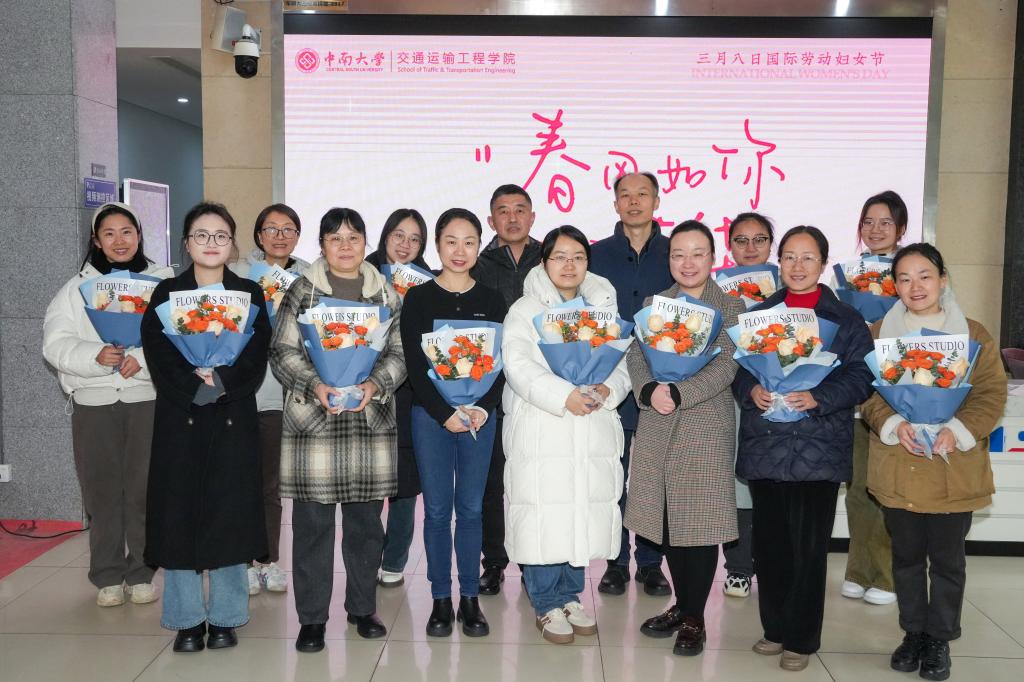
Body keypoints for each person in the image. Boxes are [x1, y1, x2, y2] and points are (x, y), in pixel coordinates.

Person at [733, 225, 875, 671]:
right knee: (770, 546)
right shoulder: (760, 314)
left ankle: (801, 638)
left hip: (819, 448)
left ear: (823, 263)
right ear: (779, 263)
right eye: (789, 257)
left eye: (808, 257)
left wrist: (819, 396)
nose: (797, 266)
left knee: (808, 549)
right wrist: (751, 390)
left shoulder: (846, 319)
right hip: (767, 446)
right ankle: (774, 628)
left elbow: (862, 376)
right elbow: (739, 370)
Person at [862, 243, 1007, 682]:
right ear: (895, 286)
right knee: (905, 557)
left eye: (924, 276)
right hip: (899, 461)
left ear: (943, 280)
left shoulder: (974, 335)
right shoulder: (879, 335)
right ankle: (913, 633)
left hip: (952, 465)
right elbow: (867, 393)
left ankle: (939, 638)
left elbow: (990, 395)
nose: (915, 286)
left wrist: (957, 429)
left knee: (947, 561)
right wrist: (893, 423)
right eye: (904, 279)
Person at [269, 207, 406, 651]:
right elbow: (282, 351)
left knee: (366, 526)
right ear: (322, 245)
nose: (345, 246)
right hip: (315, 422)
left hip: (369, 420)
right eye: (335, 238)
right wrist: (315, 384)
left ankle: (362, 608)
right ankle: (312, 618)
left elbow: (400, 354)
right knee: (312, 526)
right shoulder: (302, 291)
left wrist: (375, 384)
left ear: (366, 243)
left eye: (353, 237)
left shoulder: (387, 294)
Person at [141, 202, 272, 652]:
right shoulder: (166, 294)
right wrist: (193, 386)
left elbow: (256, 353)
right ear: (186, 242)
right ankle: (185, 619)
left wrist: (221, 382)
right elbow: (158, 351)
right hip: (182, 417)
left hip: (232, 416)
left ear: (232, 244)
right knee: (179, 515)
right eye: (201, 234)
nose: (211, 243)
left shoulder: (249, 294)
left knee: (229, 515)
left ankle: (226, 617)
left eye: (220, 235)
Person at [501, 226, 630, 644]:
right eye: (559, 256)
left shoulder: (603, 308)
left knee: (579, 509)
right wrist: (563, 396)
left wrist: (609, 389)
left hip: (592, 422)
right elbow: (518, 365)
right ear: (544, 262)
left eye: (578, 256)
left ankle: (571, 595)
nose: (569, 265)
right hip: (544, 423)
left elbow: (624, 362)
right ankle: (545, 601)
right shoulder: (525, 310)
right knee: (543, 510)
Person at [42, 202, 173, 608]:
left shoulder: (161, 282)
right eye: (109, 233)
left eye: (127, 231)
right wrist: (95, 357)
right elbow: (55, 344)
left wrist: (144, 360)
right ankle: (108, 574)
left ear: (139, 236)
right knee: (101, 491)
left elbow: (178, 335)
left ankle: (142, 572)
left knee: (144, 491)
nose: (119, 241)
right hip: (94, 404)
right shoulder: (74, 289)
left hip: (146, 400)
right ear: (96, 240)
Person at [627, 221, 745, 656]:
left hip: (704, 424)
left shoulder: (731, 305)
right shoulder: (655, 304)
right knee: (667, 523)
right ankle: (683, 604)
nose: (688, 262)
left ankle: (695, 617)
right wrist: (648, 390)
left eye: (698, 253)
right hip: (658, 420)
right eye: (678, 254)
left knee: (699, 524)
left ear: (713, 258)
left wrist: (681, 392)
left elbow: (728, 364)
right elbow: (637, 354)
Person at [400, 208, 508, 637]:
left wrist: (483, 407)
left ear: (479, 246)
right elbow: (414, 364)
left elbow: (501, 363)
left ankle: (470, 598)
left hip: (481, 417)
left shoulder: (492, 300)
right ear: (437, 246)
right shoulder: (419, 298)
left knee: (472, 509)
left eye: (469, 242)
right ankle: (441, 598)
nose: (459, 251)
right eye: (451, 241)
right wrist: (444, 414)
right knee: (437, 510)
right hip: (431, 418)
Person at [589, 171, 674, 597]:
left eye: (643, 194)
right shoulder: (594, 255)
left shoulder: (675, 252)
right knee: (613, 473)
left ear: (657, 201)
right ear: (615, 204)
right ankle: (616, 560)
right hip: (610, 381)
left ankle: (651, 562)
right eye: (626, 195)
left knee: (654, 476)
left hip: (661, 381)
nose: (634, 201)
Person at [229, 203, 309, 596]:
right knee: (241, 480)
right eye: (271, 229)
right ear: (259, 235)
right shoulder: (239, 274)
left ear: (298, 235)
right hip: (243, 392)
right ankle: (243, 561)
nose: (280, 236)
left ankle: (268, 560)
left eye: (288, 228)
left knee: (271, 485)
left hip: (284, 395)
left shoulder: (310, 275)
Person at [471, 184, 542, 595]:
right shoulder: (477, 266)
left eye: (520, 210)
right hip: (491, 386)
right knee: (491, 482)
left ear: (532, 216)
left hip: (541, 385)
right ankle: (494, 562)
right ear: (491, 220)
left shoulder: (550, 260)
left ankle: (535, 561)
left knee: (533, 478)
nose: (512, 218)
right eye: (503, 210)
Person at [841, 190, 909, 607]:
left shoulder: (914, 272)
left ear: (901, 229)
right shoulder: (847, 278)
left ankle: (886, 576)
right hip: (856, 401)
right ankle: (858, 569)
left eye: (886, 222)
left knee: (887, 490)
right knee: (857, 489)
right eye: (868, 221)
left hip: (898, 400)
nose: (876, 229)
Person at [365, 208, 429, 588]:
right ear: (385, 236)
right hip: (368, 390)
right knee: (370, 483)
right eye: (398, 236)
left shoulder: (428, 282)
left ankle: (394, 560)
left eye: (414, 239)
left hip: (410, 394)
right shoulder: (362, 274)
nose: (405, 245)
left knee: (405, 484)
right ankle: (366, 556)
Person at [721, 211, 775, 599]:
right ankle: (738, 567)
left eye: (760, 239)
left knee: (773, 486)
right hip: (734, 398)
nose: (750, 247)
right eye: (741, 240)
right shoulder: (716, 291)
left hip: (782, 400)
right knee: (738, 486)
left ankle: (771, 565)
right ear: (730, 247)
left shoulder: (790, 287)